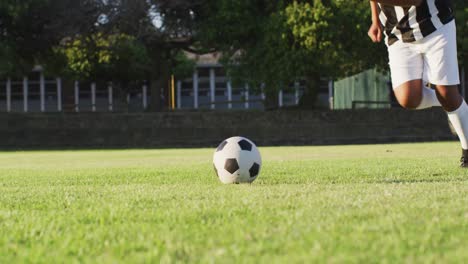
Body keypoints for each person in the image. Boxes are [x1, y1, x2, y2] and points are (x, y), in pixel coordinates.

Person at [368, 0, 467, 167]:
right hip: (397, 32)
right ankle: (456, 104)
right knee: (408, 98)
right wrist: (375, 20)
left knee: (447, 95)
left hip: (435, 24)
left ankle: (466, 149)